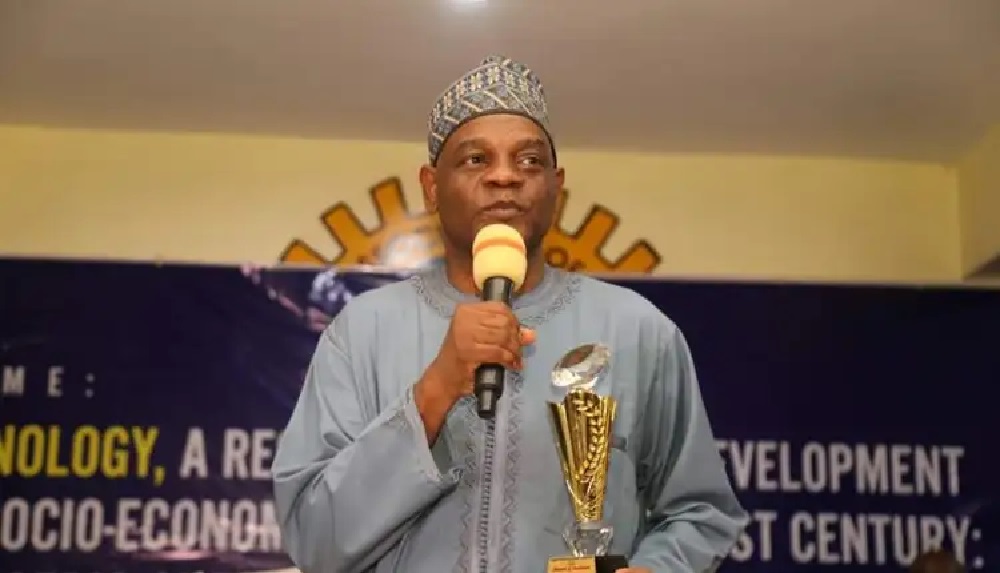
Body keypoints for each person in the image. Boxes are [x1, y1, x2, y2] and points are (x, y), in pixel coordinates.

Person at [271, 55, 749, 573]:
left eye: (529, 161)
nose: (504, 177)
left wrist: (657, 569)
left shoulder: (637, 331)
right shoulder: (362, 332)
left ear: (556, 186)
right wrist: (435, 388)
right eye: (476, 159)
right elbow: (313, 538)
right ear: (431, 187)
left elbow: (702, 513)